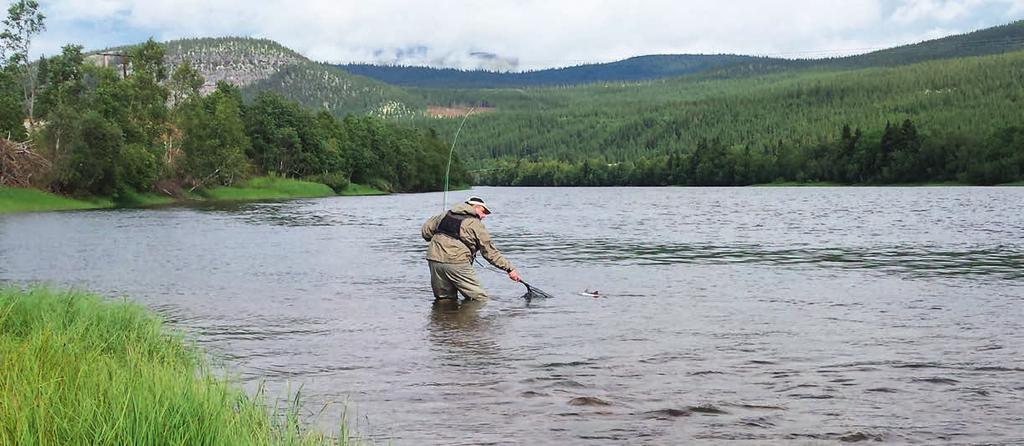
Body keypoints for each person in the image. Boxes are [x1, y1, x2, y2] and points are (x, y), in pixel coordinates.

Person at [421, 196, 521, 302]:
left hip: (434, 260)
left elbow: (425, 232)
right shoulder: (475, 224)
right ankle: (471, 319)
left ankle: (444, 318)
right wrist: (509, 269)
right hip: (456, 262)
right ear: (475, 207)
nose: (484, 216)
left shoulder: (444, 215)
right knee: (479, 299)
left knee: (444, 299)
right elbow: (490, 253)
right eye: (483, 211)